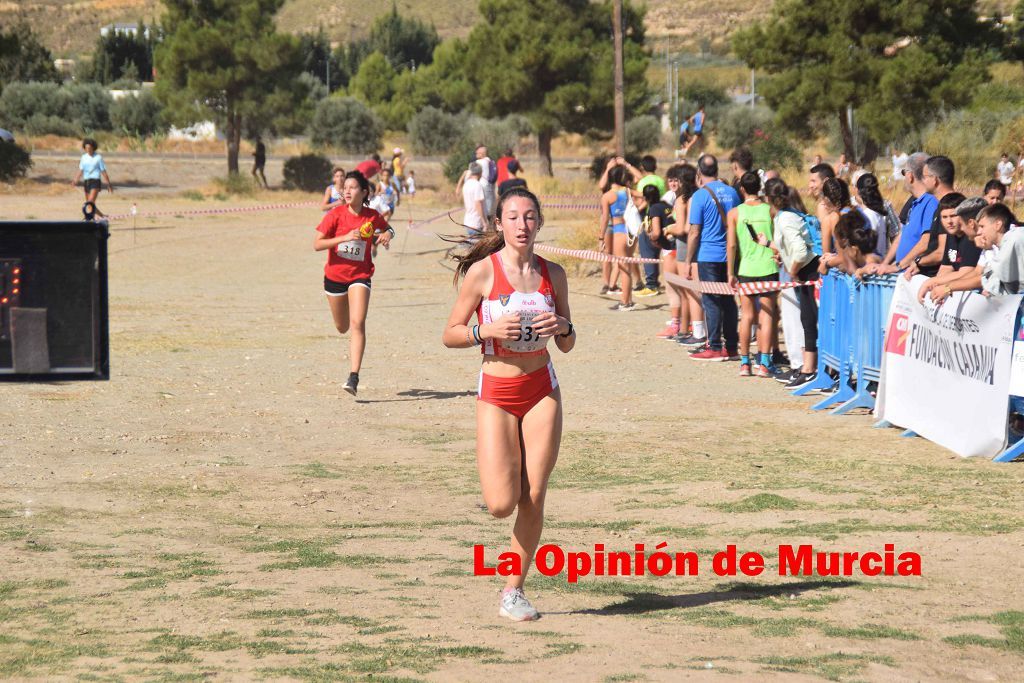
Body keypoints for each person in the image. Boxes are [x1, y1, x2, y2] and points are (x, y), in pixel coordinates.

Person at [441, 188, 575, 622]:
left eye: (530, 216)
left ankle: (513, 592)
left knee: (534, 493)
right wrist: (488, 330)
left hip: (541, 388)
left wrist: (563, 325)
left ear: (539, 223)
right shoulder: (483, 273)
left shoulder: (554, 273)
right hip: (497, 392)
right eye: (513, 217)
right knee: (502, 503)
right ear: (500, 224)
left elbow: (568, 343)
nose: (522, 224)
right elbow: (451, 333)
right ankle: (503, 471)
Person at [313, 171, 395, 396]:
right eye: (345, 187)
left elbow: (387, 228)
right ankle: (345, 308)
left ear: (364, 192)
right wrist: (345, 237)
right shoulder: (335, 214)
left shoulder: (371, 215)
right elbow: (317, 244)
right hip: (334, 278)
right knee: (343, 327)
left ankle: (353, 376)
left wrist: (388, 234)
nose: (347, 191)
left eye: (353, 187)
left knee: (358, 322)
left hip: (360, 275)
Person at [761, 178, 820, 389]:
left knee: (809, 320)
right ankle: (806, 368)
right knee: (807, 320)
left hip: (808, 272)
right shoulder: (784, 216)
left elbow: (801, 251)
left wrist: (793, 270)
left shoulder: (785, 218)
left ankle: (809, 370)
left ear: (768, 198)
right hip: (804, 271)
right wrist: (782, 256)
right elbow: (789, 246)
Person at [683, 154, 741, 360]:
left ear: (699, 172)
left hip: (708, 255)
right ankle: (732, 347)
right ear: (717, 170)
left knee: (711, 301)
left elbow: (694, 232)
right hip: (730, 255)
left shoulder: (700, 196)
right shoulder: (733, 193)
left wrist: (689, 261)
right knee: (729, 301)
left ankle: (715, 346)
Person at [727, 171, 777, 377]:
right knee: (767, 315)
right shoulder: (770, 210)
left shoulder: (735, 213)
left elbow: (731, 245)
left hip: (746, 268)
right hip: (768, 266)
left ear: (742, 189)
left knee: (747, 316)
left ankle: (745, 363)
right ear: (760, 188)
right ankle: (764, 362)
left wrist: (730, 271)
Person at [865, 152, 937, 276]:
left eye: (904, 172)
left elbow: (925, 242)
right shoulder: (914, 202)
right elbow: (901, 236)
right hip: (902, 275)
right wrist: (886, 264)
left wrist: (898, 266)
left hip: (914, 277)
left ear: (910, 176)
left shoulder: (931, 202)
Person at [668, 164, 707, 346]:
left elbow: (683, 227)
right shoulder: (698, 196)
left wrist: (667, 228)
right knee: (690, 291)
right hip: (696, 246)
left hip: (684, 247)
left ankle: (693, 331)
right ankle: (686, 328)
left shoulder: (682, 199)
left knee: (689, 292)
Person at [915, 193, 980, 303]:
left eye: (953, 216)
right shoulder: (951, 236)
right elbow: (946, 268)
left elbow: (966, 273)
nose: (949, 221)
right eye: (944, 217)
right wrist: (936, 286)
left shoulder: (971, 238)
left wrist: (933, 282)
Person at [599, 163, 639, 310]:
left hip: (619, 231)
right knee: (626, 266)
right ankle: (627, 300)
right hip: (632, 231)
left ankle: (625, 302)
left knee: (623, 268)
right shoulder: (628, 191)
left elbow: (604, 219)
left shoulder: (607, 196)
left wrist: (601, 237)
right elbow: (646, 195)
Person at [636, 184, 670, 298]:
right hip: (672, 238)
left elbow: (656, 232)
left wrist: (650, 236)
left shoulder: (654, 208)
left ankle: (651, 284)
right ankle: (654, 281)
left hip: (665, 240)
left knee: (644, 238)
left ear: (645, 198)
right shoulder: (666, 205)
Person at [71, 138, 113, 217]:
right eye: (86, 148)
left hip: (95, 181)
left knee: (90, 202)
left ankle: (91, 218)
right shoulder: (84, 157)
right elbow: (81, 170)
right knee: (89, 205)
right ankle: (102, 216)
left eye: (90, 148)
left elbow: (103, 171)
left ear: (93, 147)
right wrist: (75, 180)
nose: (88, 150)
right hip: (86, 181)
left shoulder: (98, 157)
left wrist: (108, 184)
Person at [462, 162, 486, 239]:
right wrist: (484, 222)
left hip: (468, 221)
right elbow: (478, 203)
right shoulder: (477, 185)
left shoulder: (466, 183)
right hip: (476, 222)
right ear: (480, 173)